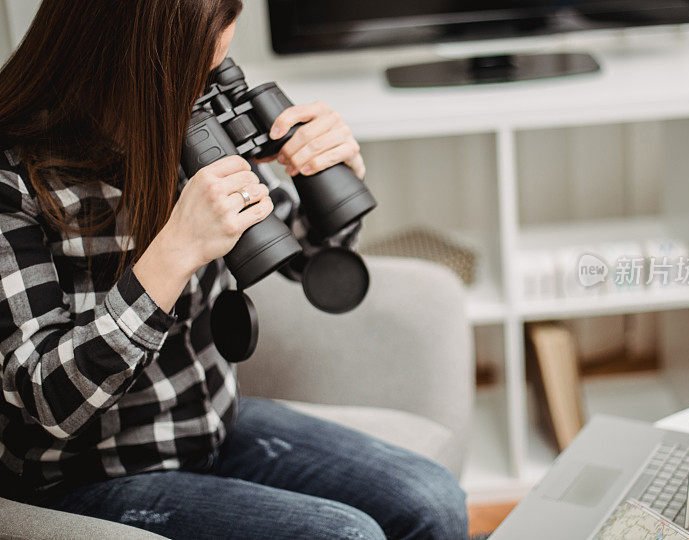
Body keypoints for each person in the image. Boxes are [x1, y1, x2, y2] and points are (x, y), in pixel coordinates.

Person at [0, 1, 468, 538]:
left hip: (210, 425)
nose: (205, 92)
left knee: (433, 500)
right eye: (192, 75)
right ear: (128, 63)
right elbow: (46, 398)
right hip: (84, 472)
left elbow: (297, 255)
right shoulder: (13, 177)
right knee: (346, 535)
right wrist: (175, 251)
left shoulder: (183, 118)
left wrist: (327, 179)